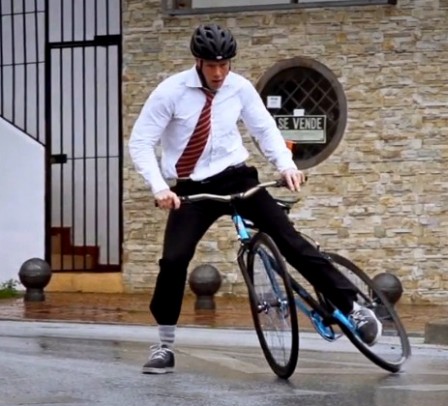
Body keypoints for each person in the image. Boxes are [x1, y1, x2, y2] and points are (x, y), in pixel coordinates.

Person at [128, 23, 382, 375]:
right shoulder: (170, 93)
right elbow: (141, 142)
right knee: (173, 260)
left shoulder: (239, 87)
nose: (219, 73)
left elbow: (264, 129)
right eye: (212, 65)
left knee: (291, 241)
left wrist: (286, 166)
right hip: (191, 188)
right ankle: (164, 345)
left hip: (236, 176)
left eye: (224, 65)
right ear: (198, 62)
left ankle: (353, 307)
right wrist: (160, 187)